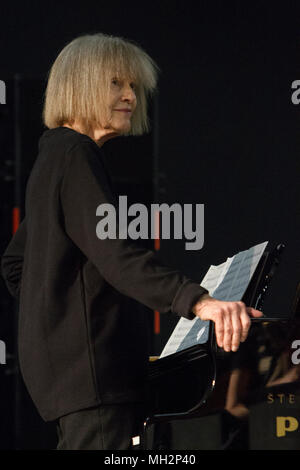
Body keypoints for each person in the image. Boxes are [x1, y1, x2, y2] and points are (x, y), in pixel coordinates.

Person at [1, 33, 262, 450]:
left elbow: (16, 265)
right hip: (95, 381)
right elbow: (116, 256)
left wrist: (60, 314)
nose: (130, 96)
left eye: (134, 87)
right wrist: (200, 302)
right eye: (116, 83)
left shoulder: (52, 157)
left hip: (70, 382)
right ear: (81, 84)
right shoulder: (75, 155)